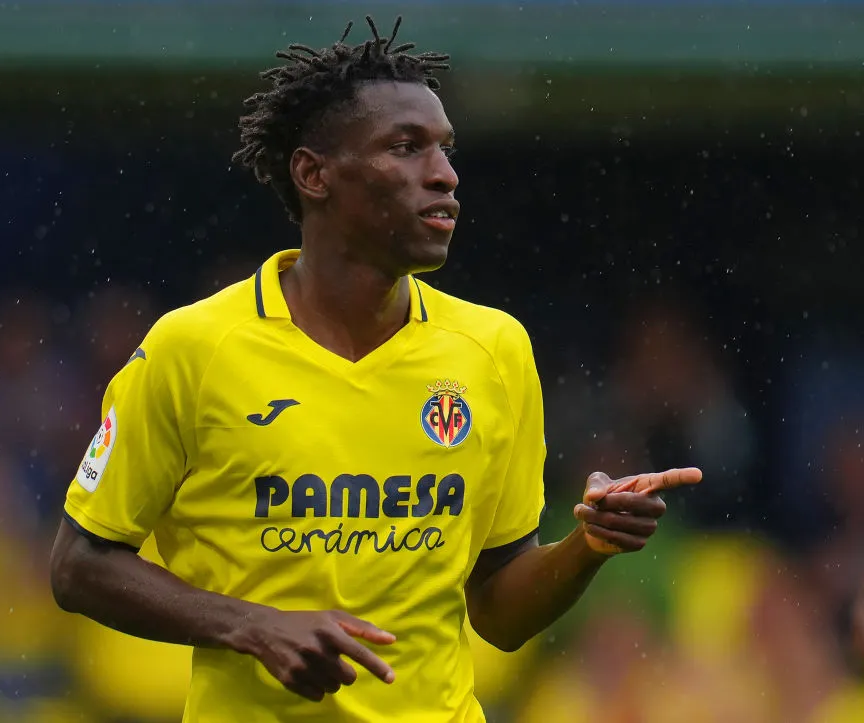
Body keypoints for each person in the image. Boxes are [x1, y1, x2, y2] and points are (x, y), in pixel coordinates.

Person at [49, 16, 702, 722]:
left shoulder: (492, 349)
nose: (445, 175)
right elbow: (79, 564)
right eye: (406, 147)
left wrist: (588, 544)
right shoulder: (194, 347)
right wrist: (250, 624)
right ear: (314, 173)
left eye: (446, 151)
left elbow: (499, 613)